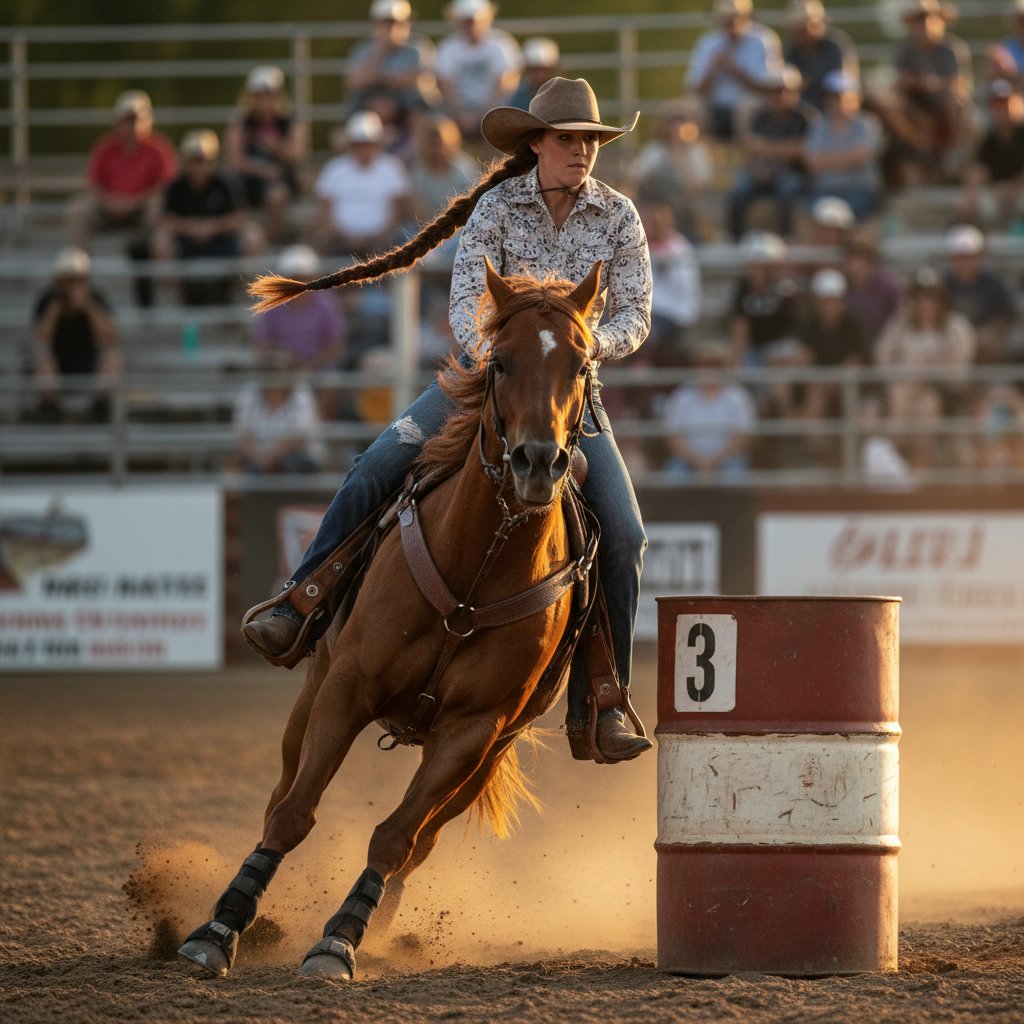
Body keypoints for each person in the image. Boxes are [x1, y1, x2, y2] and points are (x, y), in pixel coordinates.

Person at [242, 77, 652, 761]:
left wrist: (580, 348)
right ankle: (301, 603)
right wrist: (510, 357)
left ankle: (602, 700)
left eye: (590, 140)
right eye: (567, 139)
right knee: (378, 463)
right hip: (485, 383)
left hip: (570, 394)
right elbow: (467, 304)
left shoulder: (619, 215)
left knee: (626, 535)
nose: (581, 150)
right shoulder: (496, 208)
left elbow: (636, 315)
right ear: (538, 145)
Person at [151, 129, 260, 305]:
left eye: (203, 160)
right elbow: (164, 220)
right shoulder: (175, 187)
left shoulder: (226, 183)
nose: (198, 166)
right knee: (161, 241)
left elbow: (241, 217)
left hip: (222, 242)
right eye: (194, 160)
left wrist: (211, 227)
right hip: (185, 243)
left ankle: (235, 294)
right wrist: (191, 227)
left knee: (253, 237)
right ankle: (182, 297)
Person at [67, 90, 177, 249]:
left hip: (142, 209)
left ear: (149, 121)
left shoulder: (159, 149)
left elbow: (165, 186)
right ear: (117, 121)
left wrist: (135, 202)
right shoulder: (105, 148)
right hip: (108, 207)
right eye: (127, 120)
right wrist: (109, 201)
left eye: (136, 119)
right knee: (78, 211)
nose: (132, 126)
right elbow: (93, 184)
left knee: (157, 207)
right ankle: (79, 266)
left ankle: (146, 254)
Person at [881, 0, 973, 186]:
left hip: (944, 106)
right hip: (914, 109)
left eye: (928, 19)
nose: (924, 25)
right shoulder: (905, 51)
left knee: (955, 101)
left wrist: (926, 84)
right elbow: (898, 85)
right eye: (918, 20)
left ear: (940, 21)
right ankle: (913, 148)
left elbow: (958, 85)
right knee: (889, 103)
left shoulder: (952, 48)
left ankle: (953, 154)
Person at [874, 265, 976, 421]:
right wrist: (904, 372)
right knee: (897, 395)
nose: (925, 303)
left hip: (945, 390)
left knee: (927, 405)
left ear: (941, 300)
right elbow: (882, 356)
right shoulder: (899, 325)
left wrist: (931, 368)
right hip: (905, 386)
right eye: (920, 297)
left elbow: (962, 361)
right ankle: (893, 443)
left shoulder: (956, 326)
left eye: (931, 297)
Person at [31, 247, 121, 423]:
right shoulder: (48, 300)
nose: (72, 286)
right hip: (58, 364)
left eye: (77, 280)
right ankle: (49, 406)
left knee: (113, 355)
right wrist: (56, 309)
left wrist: (88, 308)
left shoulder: (96, 299)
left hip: (88, 363)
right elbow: (41, 336)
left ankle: (102, 405)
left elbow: (110, 336)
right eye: (68, 280)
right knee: (41, 355)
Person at [726, 63, 815, 240]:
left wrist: (766, 148)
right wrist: (765, 162)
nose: (780, 96)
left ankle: (787, 240)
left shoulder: (805, 117)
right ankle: (736, 240)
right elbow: (751, 148)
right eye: (775, 91)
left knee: (787, 193)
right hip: (762, 172)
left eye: (785, 90)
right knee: (737, 193)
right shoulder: (761, 117)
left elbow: (804, 150)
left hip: (793, 174)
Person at [224, 65, 306, 244]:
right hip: (249, 177)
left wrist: (273, 146)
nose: (264, 100)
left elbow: (296, 155)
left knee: (277, 195)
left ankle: (271, 243)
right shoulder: (241, 122)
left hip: (282, 178)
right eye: (259, 95)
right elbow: (235, 159)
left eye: (269, 94)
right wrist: (261, 169)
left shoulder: (289, 121)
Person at [313, 110, 413, 257]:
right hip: (340, 241)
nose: (364, 147)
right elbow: (325, 210)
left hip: (384, 243)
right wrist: (344, 235)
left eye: (368, 142)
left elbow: (399, 212)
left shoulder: (392, 168)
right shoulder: (334, 169)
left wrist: (380, 237)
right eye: (359, 143)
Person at [344, 0, 438, 153]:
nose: (391, 28)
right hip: (373, 107)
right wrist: (380, 50)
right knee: (369, 117)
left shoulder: (418, 47)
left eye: (396, 23)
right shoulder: (364, 50)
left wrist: (381, 78)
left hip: (410, 108)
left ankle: (415, 160)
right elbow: (355, 81)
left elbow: (420, 79)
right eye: (385, 23)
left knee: (420, 117)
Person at [684, 0, 783, 140]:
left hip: (751, 104)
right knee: (688, 109)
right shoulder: (707, 43)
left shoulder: (763, 40)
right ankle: (700, 157)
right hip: (715, 105)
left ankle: (748, 155)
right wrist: (713, 69)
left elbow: (769, 87)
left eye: (736, 18)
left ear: (748, 18)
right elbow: (696, 89)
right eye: (726, 20)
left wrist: (734, 70)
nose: (732, 25)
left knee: (746, 108)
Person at [662, 340, 756, 479]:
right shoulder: (682, 395)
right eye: (705, 364)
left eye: (716, 365)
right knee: (672, 477)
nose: (710, 370)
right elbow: (673, 437)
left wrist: (713, 462)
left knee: (735, 477)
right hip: (687, 460)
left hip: (728, 460)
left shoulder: (738, 396)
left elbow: (741, 438)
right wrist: (697, 461)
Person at [435, 0, 522, 144]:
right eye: (466, 21)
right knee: (437, 128)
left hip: (494, 110)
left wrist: (483, 114)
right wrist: (461, 114)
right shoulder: (448, 47)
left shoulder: (501, 45)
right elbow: (445, 87)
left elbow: (504, 84)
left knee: (501, 131)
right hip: (457, 114)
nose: (471, 26)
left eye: (474, 21)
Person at [802, 70, 883, 222]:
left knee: (846, 217)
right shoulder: (818, 126)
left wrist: (826, 161)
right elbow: (812, 163)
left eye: (841, 97)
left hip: (860, 191)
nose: (836, 102)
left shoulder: (868, 124)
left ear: (856, 98)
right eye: (832, 97)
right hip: (825, 192)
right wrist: (848, 158)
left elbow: (862, 156)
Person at [628, 99, 714, 240]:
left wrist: (679, 155)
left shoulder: (697, 153)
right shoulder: (653, 150)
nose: (677, 126)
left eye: (682, 120)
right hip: (655, 206)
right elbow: (635, 180)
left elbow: (697, 188)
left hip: (685, 207)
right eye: (673, 120)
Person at [234, 351, 328, 475]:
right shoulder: (249, 392)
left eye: (278, 371)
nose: (274, 376)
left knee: (294, 466)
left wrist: (273, 455)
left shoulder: (302, 393)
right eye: (268, 371)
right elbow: (242, 435)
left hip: (298, 455)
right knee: (241, 470)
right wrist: (259, 457)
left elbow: (302, 436)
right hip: (258, 457)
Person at [940, 224, 1017, 364]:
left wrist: (992, 331)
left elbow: (1009, 314)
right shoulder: (942, 285)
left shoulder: (994, 284)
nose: (964, 263)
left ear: (979, 257)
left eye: (969, 257)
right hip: (950, 343)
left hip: (985, 346)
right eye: (959, 257)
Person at [958, 78, 1024, 229]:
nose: (1002, 110)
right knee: (977, 207)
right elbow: (978, 170)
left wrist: (1010, 187)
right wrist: (970, 195)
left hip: (1018, 190)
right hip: (997, 192)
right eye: (997, 105)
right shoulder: (988, 137)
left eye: (1006, 103)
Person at [781, 0, 858, 113]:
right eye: (799, 29)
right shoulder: (792, 51)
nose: (804, 33)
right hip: (803, 107)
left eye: (806, 27)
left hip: (835, 106)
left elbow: (842, 85)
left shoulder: (835, 46)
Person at [508, 37, 561, 111]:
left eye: (545, 69)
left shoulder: (562, 96)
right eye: (535, 69)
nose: (540, 75)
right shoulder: (518, 98)